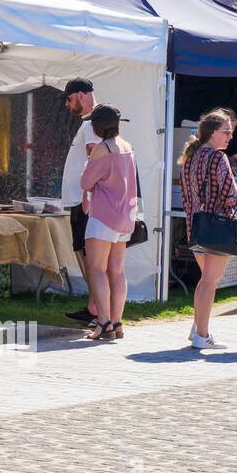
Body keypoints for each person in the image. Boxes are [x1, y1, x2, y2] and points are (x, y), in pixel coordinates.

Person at [180, 110, 237, 350]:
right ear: (212, 132)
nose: (229, 136)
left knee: (206, 280)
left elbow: (186, 195)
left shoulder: (190, 156)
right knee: (209, 281)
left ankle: (198, 327)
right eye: (226, 132)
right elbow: (231, 195)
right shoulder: (217, 157)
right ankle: (202, 335)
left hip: (195, 224)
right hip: (217, 225)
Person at [79, 105, 138, 342]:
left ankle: (103, 322)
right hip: (125, 216)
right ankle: (117, 322)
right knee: (117, 271)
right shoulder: (127, 147)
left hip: (103, 216)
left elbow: (86, 182)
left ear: (97, 125)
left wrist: (88, 164)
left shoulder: (102, 149)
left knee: (96, 269)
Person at [58, 78, 105, 328]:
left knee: (91, 260)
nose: (67, 105)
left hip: (85, 201)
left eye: (68, 99)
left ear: (80, 95)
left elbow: (96, 162)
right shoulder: (90, 122)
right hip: (83, 200)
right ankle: (94, 308)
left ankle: (100, 312)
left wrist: (88, 196)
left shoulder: (92, 124)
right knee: (89, 258)